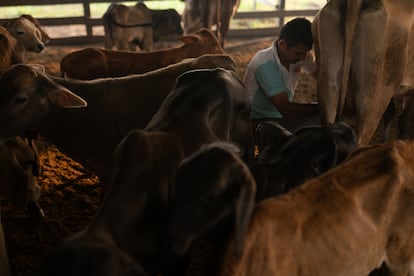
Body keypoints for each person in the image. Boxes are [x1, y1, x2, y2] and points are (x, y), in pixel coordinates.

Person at [244, 17, 320, 135]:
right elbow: (286, 109)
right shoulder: (264, 63)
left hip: (282, 118)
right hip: (259, 122)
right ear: (283, 44)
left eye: (305, 53)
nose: (302, 58)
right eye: (298, 53)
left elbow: (322, 78)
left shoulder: (301, 56)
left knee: (330, 124)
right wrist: (323, 107)